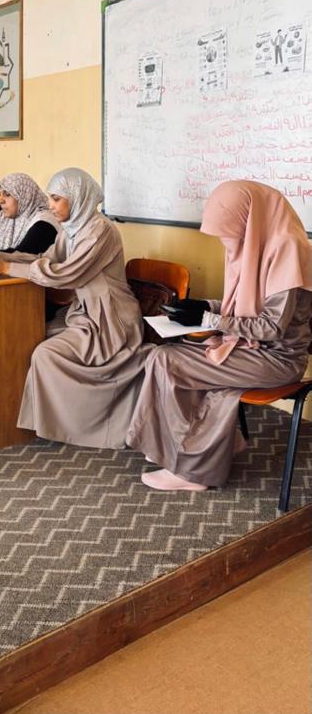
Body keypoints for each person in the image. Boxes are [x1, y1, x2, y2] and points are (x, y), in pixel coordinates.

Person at [127, 180, 312, 492]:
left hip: (278, 358)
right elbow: (243, 305)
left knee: (168, 361)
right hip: (249, 347)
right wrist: (204, 306)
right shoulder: (258, 243)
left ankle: (192, 471)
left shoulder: (287, 250)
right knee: (161, 356)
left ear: (248, 219)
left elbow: (271, 327)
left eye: (228, 232)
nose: (225, 241)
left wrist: (209, 319)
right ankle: (191, 450)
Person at [0, 168, 146, 448]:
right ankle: (60, 421)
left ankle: (80, 425)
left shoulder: (100, 230)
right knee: (29, 339)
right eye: (50, 198)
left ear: (77, 197)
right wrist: (3, 257)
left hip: (110, 320)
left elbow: (67, 274)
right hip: (86, 314)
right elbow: (46, 259)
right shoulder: (72, 228)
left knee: (45, 353)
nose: (51, 205)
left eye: (56, 199)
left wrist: (7, 268)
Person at [0, 172, 59, 254]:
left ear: (25, 196)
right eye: (0, 194)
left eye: (7, 195)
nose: (1, 201)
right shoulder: (3, 217)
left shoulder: (44, 222)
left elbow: (20, 256)